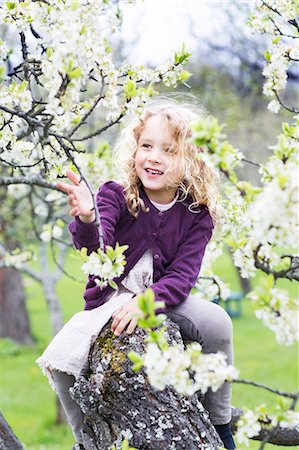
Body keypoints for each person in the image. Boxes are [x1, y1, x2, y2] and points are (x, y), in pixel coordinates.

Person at [37, 98, 236, 450]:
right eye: (146, 146)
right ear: (135, 150)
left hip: (162, 296)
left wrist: (148, 301)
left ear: (190, 162)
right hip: (110, 298)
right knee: (62, 360)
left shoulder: (197, 214)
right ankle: (85, 439)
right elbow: (95, 251)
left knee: (218, 323)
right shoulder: (116, 194)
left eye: (168, 151)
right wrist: (87, 219)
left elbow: (182, 276)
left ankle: (219, 423)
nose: (154, 157)